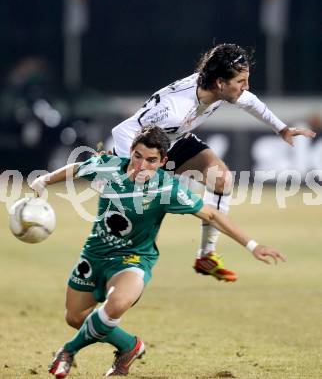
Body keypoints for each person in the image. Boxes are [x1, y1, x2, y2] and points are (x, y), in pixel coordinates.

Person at [31, 125, 285, 378]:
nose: (142, 166)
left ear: (163, 161)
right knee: (75, 318)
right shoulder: (108, 166)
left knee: (116, 304)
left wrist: (252, 245)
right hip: (93, 255)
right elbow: (77, 168)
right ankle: (129, 347)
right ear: (130, 152)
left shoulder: (168, 189)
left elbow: (211, 213)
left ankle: (68, 351)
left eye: (151, 160)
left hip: (133, 259)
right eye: (138, 156)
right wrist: (44, 180)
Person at [111, 43, 315, 282]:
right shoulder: (174, 109)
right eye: (241, 81)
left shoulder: (218, 90)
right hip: (147, 150)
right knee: (143, 234)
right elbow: (124, 130)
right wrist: (134, 169)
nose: (245, 87)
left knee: (221, 179)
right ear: (220, 83)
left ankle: (206, 256)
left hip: (175, 141)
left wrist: (282, 129)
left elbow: (252, 102)